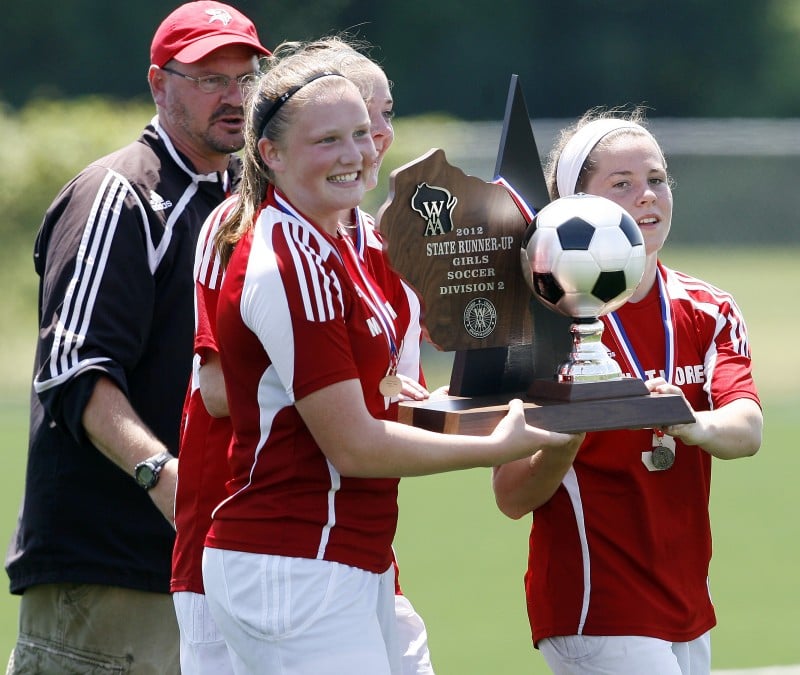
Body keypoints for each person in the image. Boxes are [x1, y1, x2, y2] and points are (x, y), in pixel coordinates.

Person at [198, 48, 582, 675]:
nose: (355, 153)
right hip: (294, 559)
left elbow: (373, 391)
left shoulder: (347, 236)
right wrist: (496, 445)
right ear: (270, 154)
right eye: (327, 140)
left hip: (348, 556)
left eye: (360, 132)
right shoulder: (292, 259)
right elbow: (354, 447)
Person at [4, 2, 269, 673]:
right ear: (159, 84)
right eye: (210, 78)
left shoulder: (241, 204)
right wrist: (160, 471)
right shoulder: (121, 195)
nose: (234, 98)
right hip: (110, 574)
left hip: (208, 573)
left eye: (246, 78)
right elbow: (76, 369)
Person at [171, 37, 435, 675]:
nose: (374, 137)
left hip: (351, 533)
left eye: (382, 117)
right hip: (254, 532)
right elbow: (220, 389)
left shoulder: (367, 237)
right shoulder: (243, 224)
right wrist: (347, 398)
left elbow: (390, 393)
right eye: (351, 123)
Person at [492, 107, 763, 675]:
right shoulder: (541, 319)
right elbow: (512, 496)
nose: (648, 196)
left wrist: (691, 422)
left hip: (688, 603)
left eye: (658, 180)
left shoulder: (708, 309)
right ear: (573, 205)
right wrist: (569, 435)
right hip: (596, 606)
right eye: (623, 184)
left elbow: (747, 429)